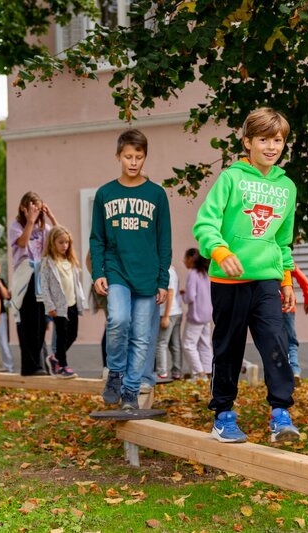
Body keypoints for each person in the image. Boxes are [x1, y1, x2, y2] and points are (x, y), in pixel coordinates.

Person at [192, 107, 301, 444]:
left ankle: (281, 415)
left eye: (278, 140)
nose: (271, 147)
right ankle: (223, 414)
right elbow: (204, 224)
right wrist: (221, 252)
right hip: (229, 281)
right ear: (248, 142)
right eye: (264, 139)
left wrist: (286, 280)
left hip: (267, 279)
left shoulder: (287, 187)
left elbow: (283, 241)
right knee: (228, 347)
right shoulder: (231, 178)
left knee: (276, 343)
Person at [90, 129, 172, 411]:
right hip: (117, 272)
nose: (133, 162)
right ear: (118, 156)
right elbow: (96, 238)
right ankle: (115, 372)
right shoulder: (105, 193)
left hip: (147, 276)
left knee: (141, 336)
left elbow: (164, 241)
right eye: (128, 157)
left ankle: (130, 391)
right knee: (118, 320)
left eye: (138, 157)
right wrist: (98, 273)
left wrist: (163, 281)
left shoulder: (156, 195)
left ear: (144, 157)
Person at [9, 191, 57, 375]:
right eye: (33, 208)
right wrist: (30, 221)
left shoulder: (43, 228)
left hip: (41, 276)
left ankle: (36, 364)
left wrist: (51, 216)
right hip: (26, 276)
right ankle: (29, 366)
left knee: (40, 322)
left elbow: (60, 235)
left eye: (38, 209)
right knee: (28, 321)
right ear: (24, 208)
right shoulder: (17, 226)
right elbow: (21, 243)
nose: (36, 212)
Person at [41, 225, 86, 379]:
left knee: (72, 334)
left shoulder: (70, 260)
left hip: (72, 304)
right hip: (59, 307)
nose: (64, 246)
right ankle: (63, 366)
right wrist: (50, 306)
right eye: (61, 242)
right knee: (61, 335)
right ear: (53, 243)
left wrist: (81, 301)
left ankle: (55, 358)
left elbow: (75, 284)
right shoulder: (48, 263)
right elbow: (44, 287)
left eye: (66, 242)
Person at [181, 248, 213, 382]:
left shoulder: (193, 273)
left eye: (185, 259)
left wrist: (184, 296)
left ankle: (199, 374)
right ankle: (208, 371)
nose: (184, 262)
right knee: (205, 343)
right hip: (207, 313)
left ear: (190, 259)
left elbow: (191, 296)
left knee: (188, 344)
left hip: (196, 315)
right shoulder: (206, 273)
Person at [283, 264, 308, 387]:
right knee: (291, 342)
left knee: (274, 342)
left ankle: (279, 373)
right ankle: (294, 370)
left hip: (269, 307)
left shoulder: (266, 258)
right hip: (288, 307)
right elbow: (303, 281)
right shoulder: (288, 263)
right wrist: (307, 301)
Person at [155, 264, 183, 380]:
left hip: (168, 313)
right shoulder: (172, 270)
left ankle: (162, 372)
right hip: (176, 311)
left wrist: (166, 316)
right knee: (175, 344)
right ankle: (177, 372)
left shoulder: (167, 272)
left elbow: (170, 293)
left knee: (161, 343)